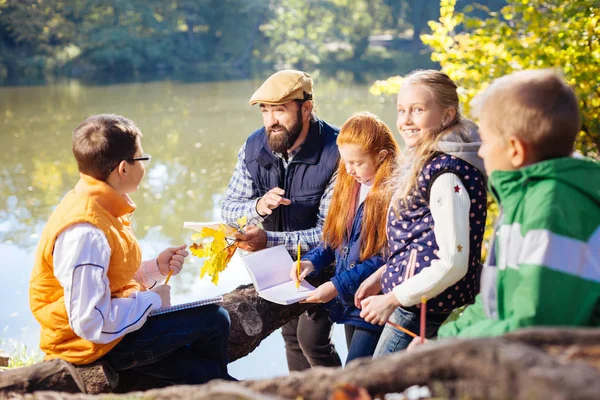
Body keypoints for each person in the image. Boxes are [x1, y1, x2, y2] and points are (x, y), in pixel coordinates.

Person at [30, 114, 233, 389]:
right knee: (214, 321)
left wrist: (154, 270)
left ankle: (204, 381)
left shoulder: (100, 203)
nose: (145, 165)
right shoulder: (86, 232)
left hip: (104, 334)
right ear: (123, 168)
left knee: (200, 367)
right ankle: (208, 384)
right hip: (86, 345)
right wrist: (152, 300)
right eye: (142, 158)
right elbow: (90, 323)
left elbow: (107, 278)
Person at [409, 69, 600, 346]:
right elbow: (491, 303)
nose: (482, 152)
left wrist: (451, 347)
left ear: (515, 150)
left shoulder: (554, 208)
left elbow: (536, 327)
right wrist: (442, 341)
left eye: (486, 141)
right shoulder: (523, 199)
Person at [355, 70, 488, 356]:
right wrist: (383, 274)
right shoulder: (425, 161)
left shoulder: (447, 173)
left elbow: (453, 262)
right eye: (402, 110)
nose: (405, 121)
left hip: (424, 308)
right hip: (413, 301)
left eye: (418, 110)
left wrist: (391, 298)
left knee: (382, 387)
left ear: (446, 116)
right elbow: (420, 240)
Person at [221, 70, 342, 370]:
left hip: (328, 265)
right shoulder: (253, 147)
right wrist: (258, 208)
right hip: (277, 268)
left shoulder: (337, 151)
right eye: (265, 111)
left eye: (280, 110)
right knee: (290, 339)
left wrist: (268, 239)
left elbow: (332, 234)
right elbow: (227, 209)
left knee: (312, 339)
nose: (271, 120)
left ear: (307, 108)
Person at [291, 112, 400, 364]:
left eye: (357, 163)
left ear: (382, 156)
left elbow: (386, 258)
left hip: (374, 297)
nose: (349, 170)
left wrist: (336, 285)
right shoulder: (349, 184)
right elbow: (335, 237)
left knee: (358, 367)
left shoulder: (392, 193)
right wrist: (310, 261)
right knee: (312, 342)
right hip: (348, 293)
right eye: (345, 162)